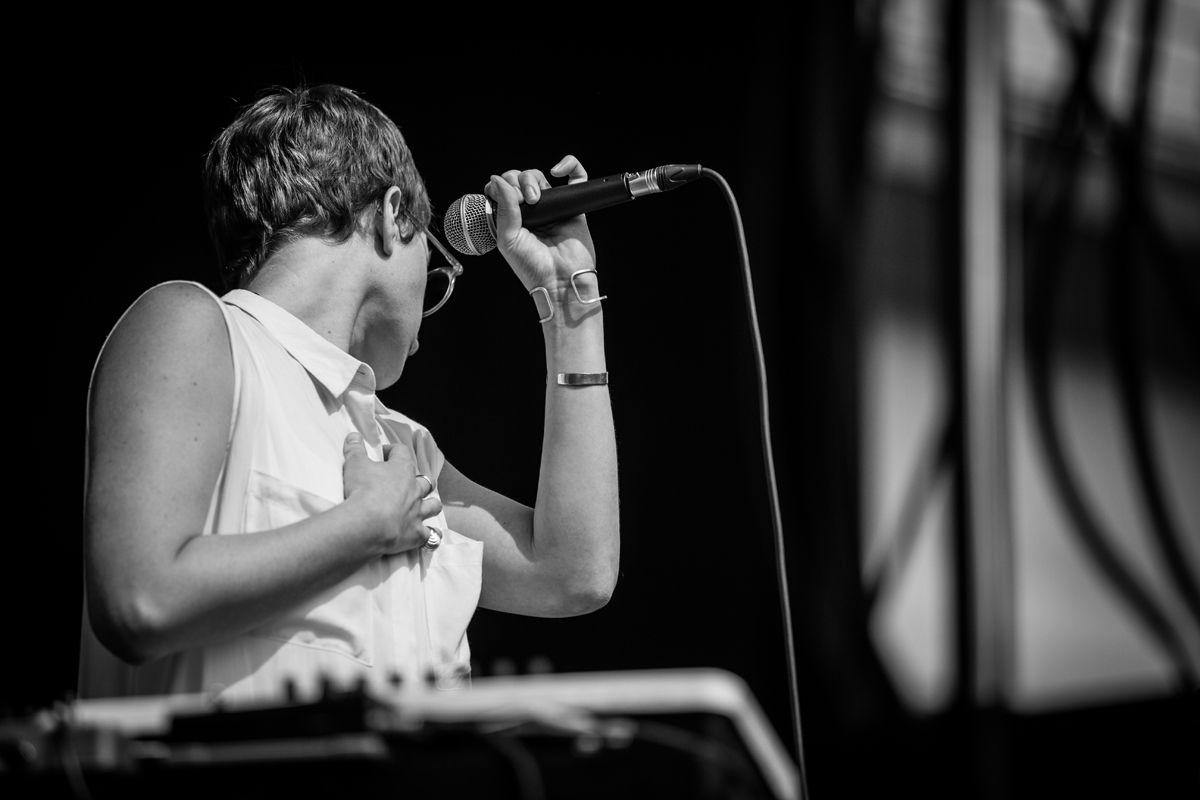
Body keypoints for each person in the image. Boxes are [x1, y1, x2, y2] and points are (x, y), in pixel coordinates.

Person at [79, 85, 619, 701]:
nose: (426, 317)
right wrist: (363, 527)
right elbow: (140, 602)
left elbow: (574, 573)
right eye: (433, 263)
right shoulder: (196, 328)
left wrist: (570, 299)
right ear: (392, 216)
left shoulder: (401, 446)